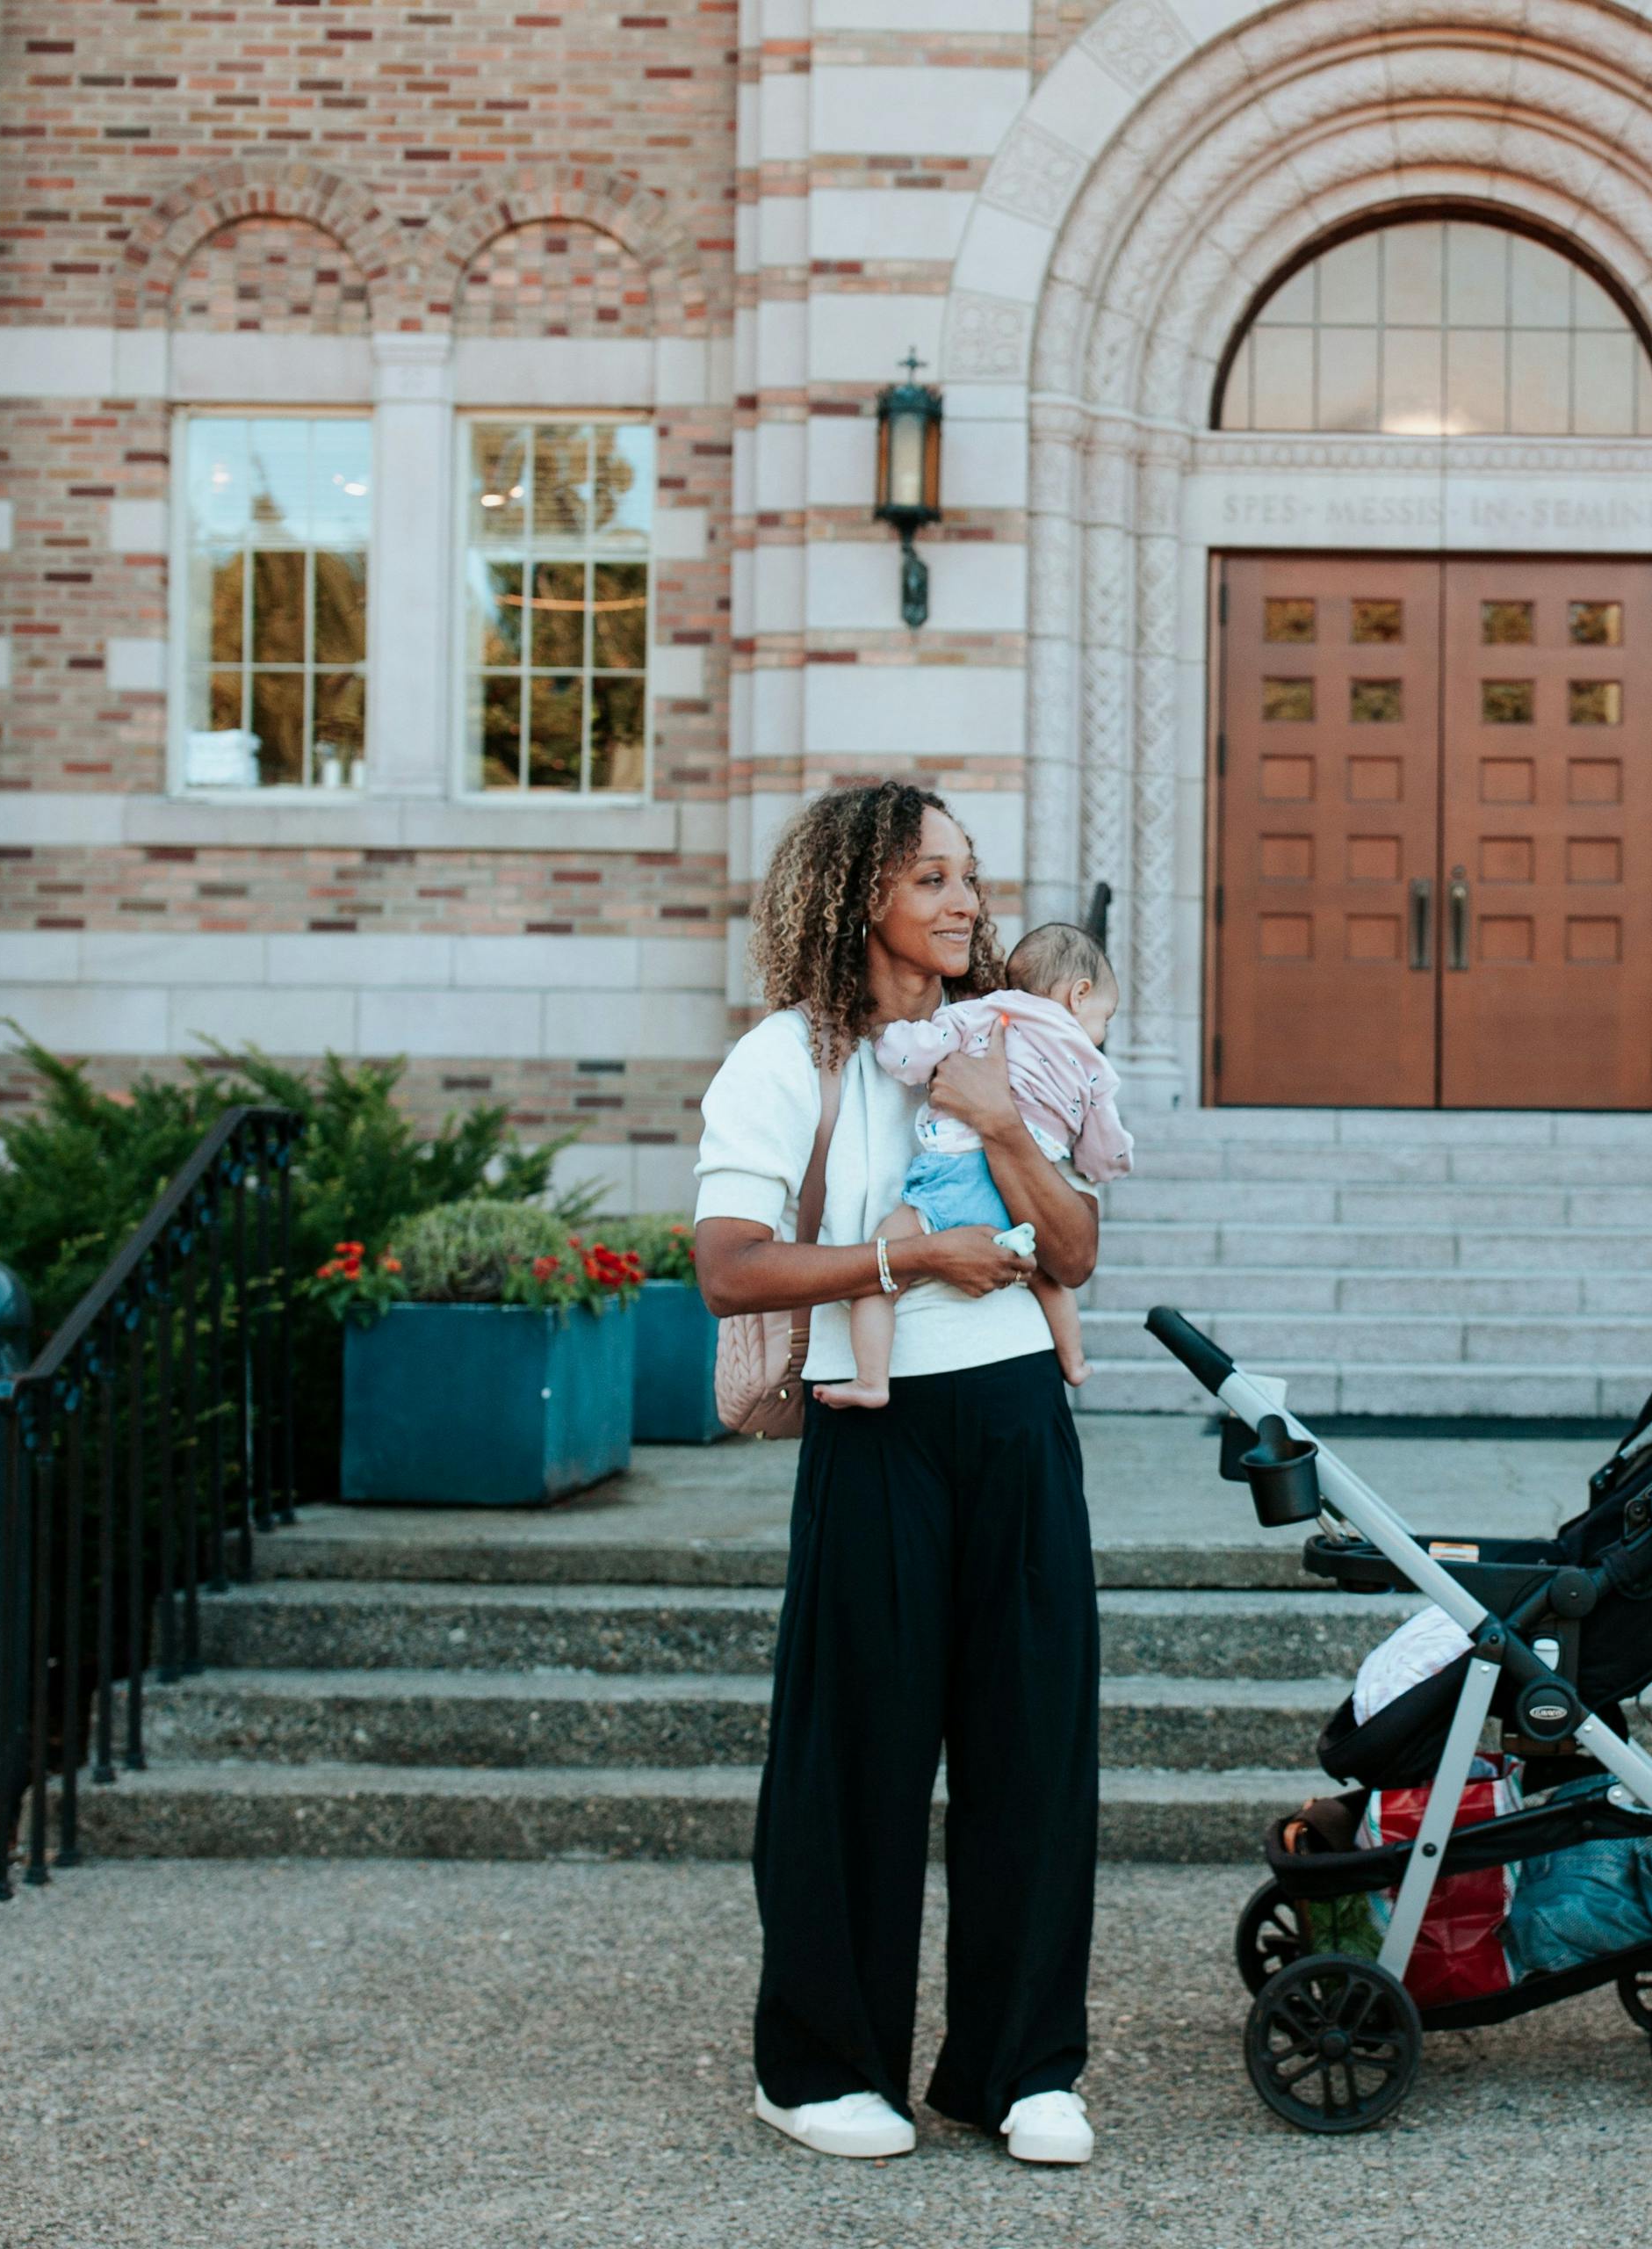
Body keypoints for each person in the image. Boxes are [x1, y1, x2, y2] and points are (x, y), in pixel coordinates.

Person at [689, 781, 1102, 2169]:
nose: (967, 902)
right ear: (859, 890)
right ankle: (817, 2068)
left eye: (971, 877)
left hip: (1016, 1423)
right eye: (934, 877)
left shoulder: (1007, 1041)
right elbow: (729, 1264)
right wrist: (911, 1257)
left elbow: (1077, 1252)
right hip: (876, 1430)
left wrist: (996, 1124)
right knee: (855, 1752)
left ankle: (1019, 2067)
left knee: (1034, 1748)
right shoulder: (783, 1061)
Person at [812, 922, 1131, 1411]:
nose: (1103, 1031)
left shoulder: (991, 1013)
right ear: (1080, 993)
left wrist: (887, 1044)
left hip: (958, 1179)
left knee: (878, 1273)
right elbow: (1104, 1144)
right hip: (1025, 1189)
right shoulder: (1094, 1067)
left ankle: (872, 1379)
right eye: (1106, 1017)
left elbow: (918, 1051)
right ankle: (1074, 1362)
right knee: (1046, 1277)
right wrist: (1106, 1167)